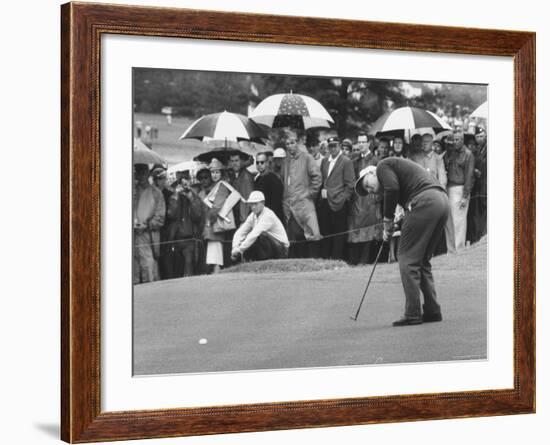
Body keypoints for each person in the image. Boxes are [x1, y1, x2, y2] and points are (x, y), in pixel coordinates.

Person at [355, 158, 449, 326]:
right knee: (422, 261)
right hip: (441, 201)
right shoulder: (396, 175)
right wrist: (394, 222)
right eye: (367, 191)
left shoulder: (383, 167)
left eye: (367, 184)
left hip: (426, 201)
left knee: (407, 259)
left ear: (372, 173)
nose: (369, 190)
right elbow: (402, 198)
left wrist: (387, 220)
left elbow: (392, 188)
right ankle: (432, 310)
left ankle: (412, 313)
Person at [281, 129, 322, 258]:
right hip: (290, 205)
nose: (289, 146)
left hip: (304, 204)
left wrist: (309, 194)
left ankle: (313, 262)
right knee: (294, 237)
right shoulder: (286, 161)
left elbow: (317, 177)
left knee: (311, 234)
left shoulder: (307, 157)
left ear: (297, 143)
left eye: (292, 143)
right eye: (287, 144)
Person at [318, 136, 356, 260]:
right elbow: (323, 179)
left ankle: (336, 259)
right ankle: (325, 258)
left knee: (339, 234)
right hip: (325, 202)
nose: (333, 148)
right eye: (330, 146)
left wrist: (343, 198)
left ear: (339, 145)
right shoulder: (324, 161)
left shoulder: (345, 161)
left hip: (339, 203)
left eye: (335, 145)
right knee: (326, 232)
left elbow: (350, 184)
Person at [202, 158, 241, 274]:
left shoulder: (222, 186)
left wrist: (209, 220)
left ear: (221, 173)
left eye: (217, 172)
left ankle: (216, 275)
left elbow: (217, 206)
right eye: (213, 172)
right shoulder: (216, 185)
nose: (214, 175)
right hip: (216, 224)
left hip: (216, 224)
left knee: (216, 254)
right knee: (214, 253)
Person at [348, 133, 382, 264]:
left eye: (363, 142)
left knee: (370, 231)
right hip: (358, 201)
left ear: (369, 143)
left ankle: (366, 260)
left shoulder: (376, 160)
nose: (361, 144)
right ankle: (355, 260)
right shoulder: (355, 161)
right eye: (359, 142)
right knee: (356, 232)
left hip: (371, 200)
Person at [231, 191, 289, 261]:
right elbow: (240, 232)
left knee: (260, 235)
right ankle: (253, 262)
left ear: (263, 203)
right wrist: (235, 247)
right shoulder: (252, 215)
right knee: (250, 238)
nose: (253, 207)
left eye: (256, 204)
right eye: (251, 204)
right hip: (272, 245)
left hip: (282, 249)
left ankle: (263, 261)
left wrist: (240, 250)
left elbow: (255, 234)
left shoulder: (268, 215)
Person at [165, 173, 203, 277]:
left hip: (189, 238)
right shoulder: (173, 196)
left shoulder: (195, 196)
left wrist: (191, 198)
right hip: (175, 238)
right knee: (176, 268)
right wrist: (176, 196)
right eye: (182, 183)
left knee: (189, 267)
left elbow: (198, 216)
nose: (184, 186)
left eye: (186, 181)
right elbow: (171, 214)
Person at [133, 164, 165, 284]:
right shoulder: (132, 190)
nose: (140, 176)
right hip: (133, 233)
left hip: (148, 234)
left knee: (148, 264)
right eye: (137, 173)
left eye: (143, 173)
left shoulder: (156, 193)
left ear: (148, 174)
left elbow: (160, 217)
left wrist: (147, 225)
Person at [444, 130, 475, 253]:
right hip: (449, 188)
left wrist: (465, 196)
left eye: (457, 139)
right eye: (454, 139)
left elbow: (469, 176)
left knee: (459, 222)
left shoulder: (468, 154)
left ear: (462, 140)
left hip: (460, 189)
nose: (455, 142)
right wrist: (448, 145)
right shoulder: (451, 153)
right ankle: (451, 249)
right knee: (449, 222)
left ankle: (459, 249)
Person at [151, 166, 176, 280]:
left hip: (166, 229)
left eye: (164, 179)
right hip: (155, 228)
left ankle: (168, 279)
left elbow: (172, 213)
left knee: (166, 256)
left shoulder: (169, 193)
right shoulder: (150, 192)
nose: (163, 181)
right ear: (156, 180)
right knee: (155, 255)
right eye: (161, 179)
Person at [467, 125, 488, 243]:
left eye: (482, 136)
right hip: (478, 188)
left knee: (484, 215)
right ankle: (478, 239)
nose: (480, 138)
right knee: (477, 216)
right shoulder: (478, 149)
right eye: (478, 136)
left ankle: (483, 238)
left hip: (485, 186)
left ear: (486, 135)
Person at [254, 152, 285, 223]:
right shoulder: (258, 179)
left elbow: (276, 202)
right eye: (257, 163)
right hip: (261, 218)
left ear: (267, 163)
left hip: (272, 219)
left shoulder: (274, 179)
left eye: (262, 162)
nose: (259, 165)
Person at [229, 152, 255, 225]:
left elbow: (246, 199)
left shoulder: (246, 177)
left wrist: (243, 220)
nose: (234, 163)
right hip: (236, 214)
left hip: (242, 217)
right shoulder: (234, 175)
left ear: (242, 161)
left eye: (236, 160)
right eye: (232, 161)